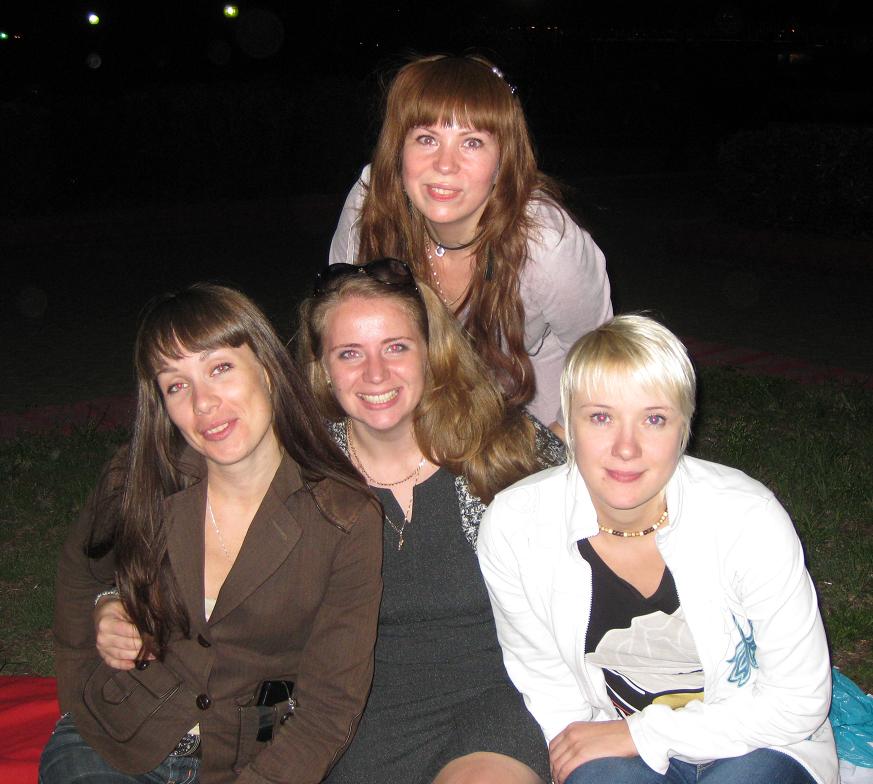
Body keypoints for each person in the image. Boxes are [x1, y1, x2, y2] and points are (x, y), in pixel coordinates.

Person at [40, 284, 383, 784]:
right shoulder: (137, 478)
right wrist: (92, 641)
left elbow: (330, 708)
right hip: (115, 742)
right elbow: (82, 571)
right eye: (176, 386)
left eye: (220, 368)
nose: (203, 403)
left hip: (250, 763)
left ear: (267, 368)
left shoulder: (343, 518)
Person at [477, 315, 838, 784]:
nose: (626, 448)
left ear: (685, 427)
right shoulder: (516, 527)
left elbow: (798, 700)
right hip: (610, 737)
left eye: (654, 419)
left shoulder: (747, 518)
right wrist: (599, 748)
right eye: (601, 417)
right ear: (567, 425)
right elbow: (549, 689)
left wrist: (643, 733)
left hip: (757, 736)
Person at [296, 258, 566, 783]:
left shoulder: (505, 448)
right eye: (350, 353)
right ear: (323, 368)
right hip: (351, 719)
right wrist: (127, 604)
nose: (376, 374)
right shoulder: (303, 474)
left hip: (496, 703)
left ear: (431, 352)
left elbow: (614, 525)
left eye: (396, 347)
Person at [329, 54, 613, 430]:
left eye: (472, 142)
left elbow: (602, 355)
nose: (445, 164)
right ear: (398, 150)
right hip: (421, 405)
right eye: (427, 139)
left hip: (531, 408)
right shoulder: (371, 204)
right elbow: (338, 322)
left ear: (503, 161)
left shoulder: (547, 244)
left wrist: (555, 444)